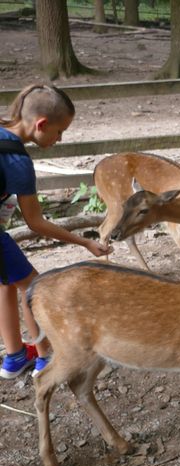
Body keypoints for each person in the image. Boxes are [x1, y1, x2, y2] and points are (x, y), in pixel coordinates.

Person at [0, 84, 110, 379]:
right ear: (41, 124)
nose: (59, 139)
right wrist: (84, 242)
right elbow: (35, 222)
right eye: (59, 131)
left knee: (6, 283)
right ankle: (45, 359)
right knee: (37, 289)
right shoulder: (17, 161)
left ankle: (14, 358)